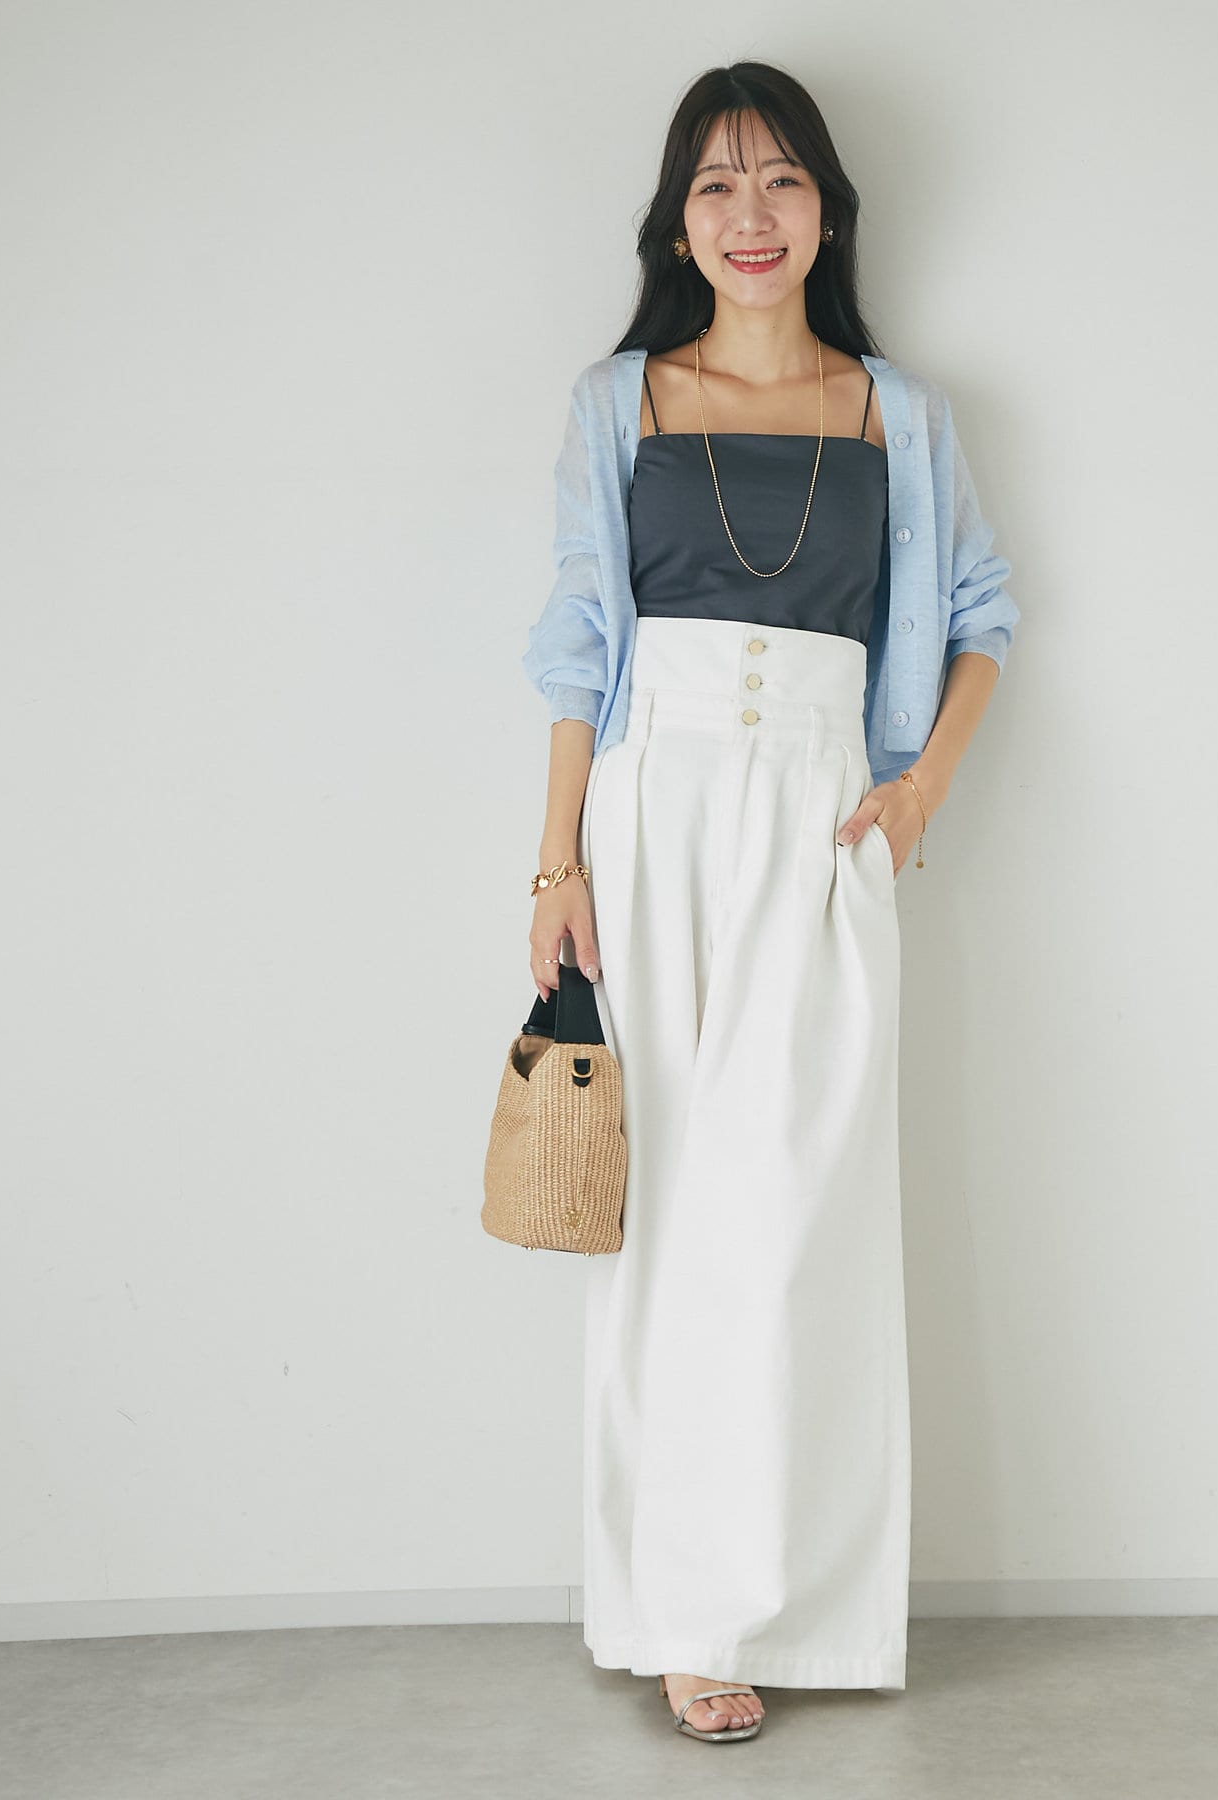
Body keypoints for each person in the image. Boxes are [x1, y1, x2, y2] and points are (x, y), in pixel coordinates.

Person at [520, 61, 1020, 1744]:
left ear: (828, 213)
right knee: (664, 1218)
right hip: (651, 803)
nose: (752, 215)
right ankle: (682, 1613)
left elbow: (983, 615)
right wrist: (558, 863)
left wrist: (915, 793)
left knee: (800, 1204)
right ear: (678, 222)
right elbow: (579, 641)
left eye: (783, 179)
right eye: (718, 184)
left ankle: (784, 1598)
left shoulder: (901, 414)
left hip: (823, 809)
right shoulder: (619, 399)